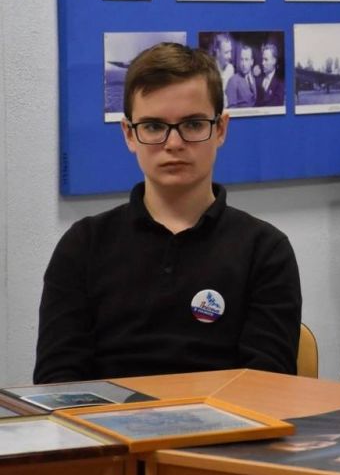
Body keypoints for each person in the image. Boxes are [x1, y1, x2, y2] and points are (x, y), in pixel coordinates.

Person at [34, 43, 302, 382]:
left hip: (225, 418)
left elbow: (267, 388)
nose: (173, 143)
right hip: (109, 417)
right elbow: (56, 386)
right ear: (129, 134)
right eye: (153, 126)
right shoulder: (83, 246)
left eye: (193, 124)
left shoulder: (265, 251)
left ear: (220, 129)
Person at [256, 43, 284, 107]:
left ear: (274, 61)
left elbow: (276, 105)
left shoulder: (280, 81)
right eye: (262, 59)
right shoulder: (258, 80)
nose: (263, 63)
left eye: (266, 60)